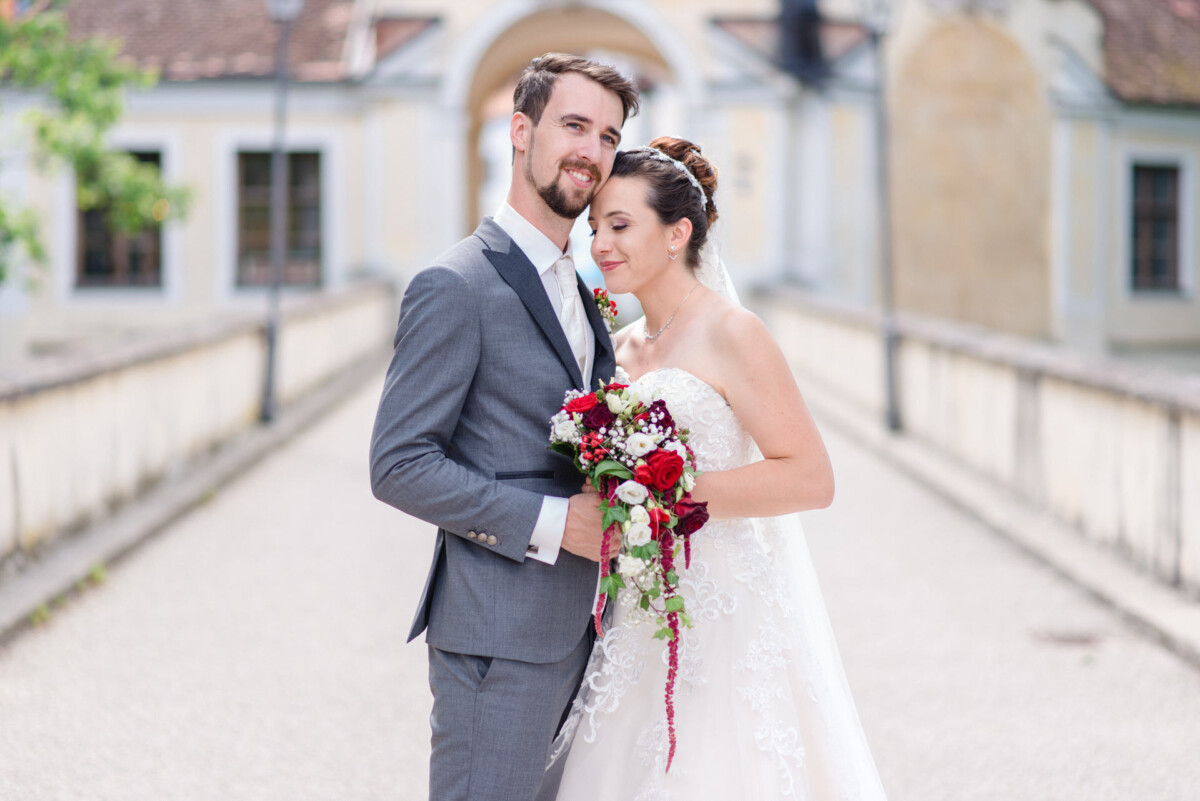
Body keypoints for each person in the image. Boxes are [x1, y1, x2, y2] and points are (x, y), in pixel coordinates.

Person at [549, 137, 890, 800]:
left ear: (678, 232)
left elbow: (811, 477)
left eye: (619, 225)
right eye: (595, 229)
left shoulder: (735, 332)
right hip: (639, 613)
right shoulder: (617, 350)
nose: (601, 245)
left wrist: (666, 492)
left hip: (725, 609)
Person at [368, 54, 639, 801]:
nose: (591, 150)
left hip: (582, 630)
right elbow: (398, 462)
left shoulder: (583, 289)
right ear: (521, 132)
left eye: (608, 136)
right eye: (574, 125)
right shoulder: (456, 284)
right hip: (498, 640)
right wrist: (557, 522)